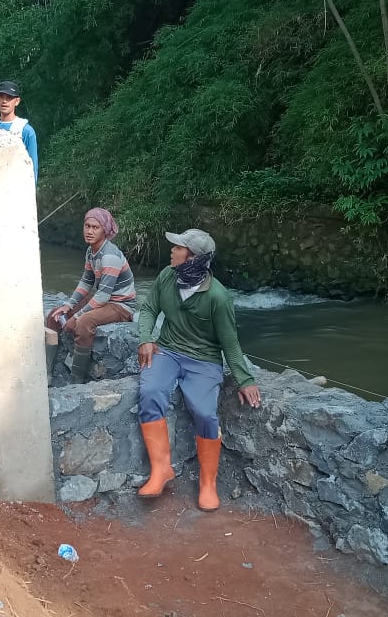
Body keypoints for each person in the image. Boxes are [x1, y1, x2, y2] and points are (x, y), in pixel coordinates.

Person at [135, 228, 262, 512]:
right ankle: (161, 469)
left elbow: (230, 342)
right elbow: (149, 309)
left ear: (192, 258)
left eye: (178, 247)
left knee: (204, 412)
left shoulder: (218, 296)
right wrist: (145, 338)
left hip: (204, 360)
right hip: (167, 351)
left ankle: (207, 484)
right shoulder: (167, 276)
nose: (172, 250)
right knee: (150, 391)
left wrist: (245, 379)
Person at [45, 208, 136, 382]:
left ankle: (76, 379)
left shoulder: (110, 256)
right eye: (87, 226)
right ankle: (47, 372)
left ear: (105, 231)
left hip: (121, 305)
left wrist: (77, 316)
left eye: (95, 227)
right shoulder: (91, 251)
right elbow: (86, 282)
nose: (90, 231)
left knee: (83, 322)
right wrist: (69, 305)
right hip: (104, 299)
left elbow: (102, 296)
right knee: (54, 315)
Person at [0, 81, 38, 184]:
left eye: (9, 97)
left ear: (17, 101)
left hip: (17, 187)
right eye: (1, 97)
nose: (4, 101)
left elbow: (33, 167)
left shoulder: (26, 131)